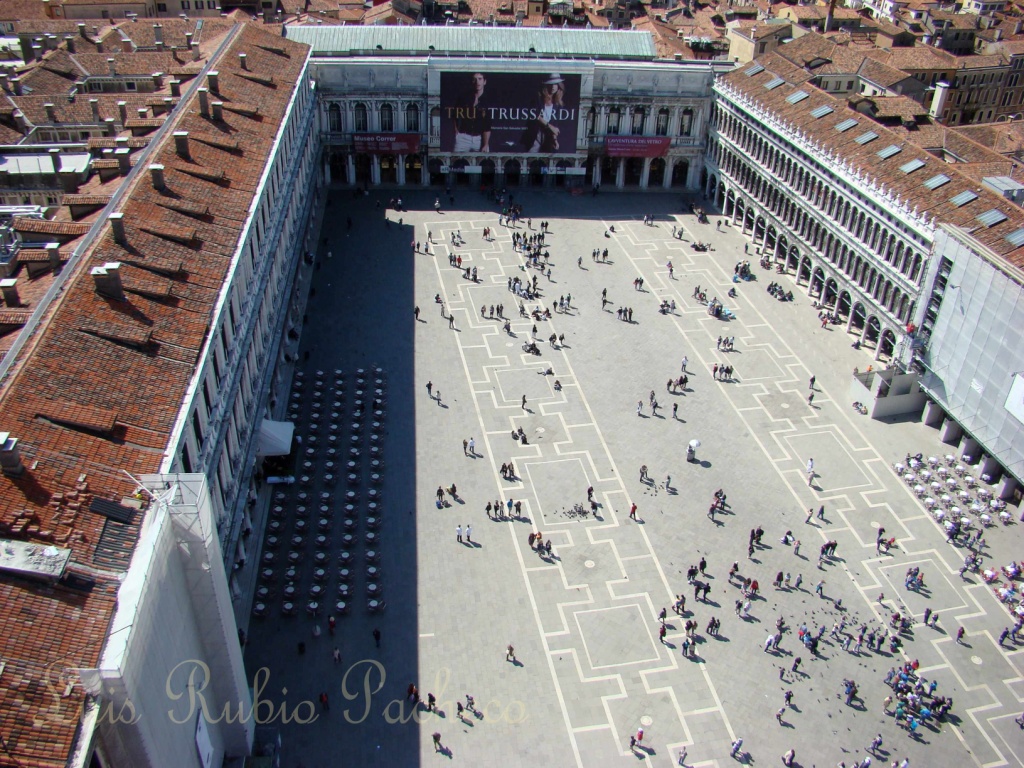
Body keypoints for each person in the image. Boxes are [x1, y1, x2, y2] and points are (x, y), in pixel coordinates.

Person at [521, 74, 568, 152]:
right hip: (535, 135)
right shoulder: (538, 98)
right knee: (530, 159)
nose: (553, 86)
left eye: (555, 84)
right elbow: (535, 115)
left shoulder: (558, 104)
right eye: (551, 84)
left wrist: (554, 139)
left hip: (548, 137)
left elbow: (555, 124)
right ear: (546, 85)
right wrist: (549, 126)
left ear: (559, 86)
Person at [452, 73, 492, 152]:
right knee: (455, 162)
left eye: (480, 79)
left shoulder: (488, 101)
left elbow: (487, 125)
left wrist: (486, 144)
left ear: (484, 82)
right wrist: (456, 132)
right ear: (472, 82)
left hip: (479, 139)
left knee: (482, 163)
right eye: (475, 79)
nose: (477, 82)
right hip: (463, 138)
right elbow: (454, 115)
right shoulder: (463, 98)